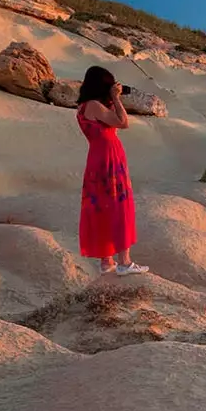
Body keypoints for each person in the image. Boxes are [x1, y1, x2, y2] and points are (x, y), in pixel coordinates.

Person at [75, 66, 148, 275]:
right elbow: (123, 123)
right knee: (119, 206)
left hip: (96, 159)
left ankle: (106, 261)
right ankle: (124, 263)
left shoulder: (82, 106)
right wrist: (116, 99)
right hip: (110, 160)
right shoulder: (96, 106)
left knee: (101, 207)